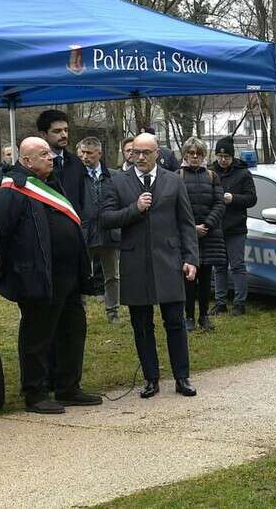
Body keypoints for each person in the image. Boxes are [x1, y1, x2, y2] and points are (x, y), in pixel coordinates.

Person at [0, 136, 101, 413]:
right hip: (37, 277)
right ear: (26, 161)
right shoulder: (12, 189)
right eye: (43, 154)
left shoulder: (51, 182)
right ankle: (35, 393)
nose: (51, 157)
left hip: (69, 277)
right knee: (37, 337)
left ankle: (68, 387)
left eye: (50, 153)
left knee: (73, 332)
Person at [101, 133, 200, 398]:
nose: (141, 157)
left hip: (169, 261)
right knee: (142, 325)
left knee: (175, 322)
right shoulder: (118, 182)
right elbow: (106, 218)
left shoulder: (172, 180)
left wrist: (191, 258)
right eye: (136, 153)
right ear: (130, 154)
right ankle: (151, 379)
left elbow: (186, 223)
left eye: (146, 152)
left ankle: (182, 377)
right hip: (135, 262)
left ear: (158, 153)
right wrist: (134, 208)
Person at [178, 137, 224, 332]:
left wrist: (207, 224)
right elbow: (175, 206)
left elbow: (220, 203)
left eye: (198, 153)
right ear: (185, 155)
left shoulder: (212, 176)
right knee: (188, 279)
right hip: (187, 236)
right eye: (191, 153)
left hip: (209, 235)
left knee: (206, 278)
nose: (194, 157)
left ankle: (204, 315)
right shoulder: (177, 176)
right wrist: (191, 228)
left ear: (203, 155)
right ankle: (188, 316)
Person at [77, 137, 122, 324]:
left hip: (108, 232)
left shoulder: (113, 176)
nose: (85, 157)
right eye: (82, 153)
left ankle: (113, 311)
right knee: (81, 274)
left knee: (112, 275)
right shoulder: (76, 177)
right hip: (84, 233)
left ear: (99, 154)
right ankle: (80, 313)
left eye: (89, 153)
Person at [211, 136, 257, 316]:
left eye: (226, 157)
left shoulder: (243, 173)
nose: (222, 160)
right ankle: (220, 301)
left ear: (232, 157)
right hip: (217, 227)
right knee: (219, 266)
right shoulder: (210, 172)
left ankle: (239, 303)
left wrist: (234, 198)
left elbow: (252, 198)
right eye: (219, 157)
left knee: (237, 266)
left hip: (236, 227)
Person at [37, 109, 86, 213]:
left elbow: (82, 200)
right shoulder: (36, 165)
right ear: (43, 134)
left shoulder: (76, 162)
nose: (64, 135)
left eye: (66, 130)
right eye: (57, 131)